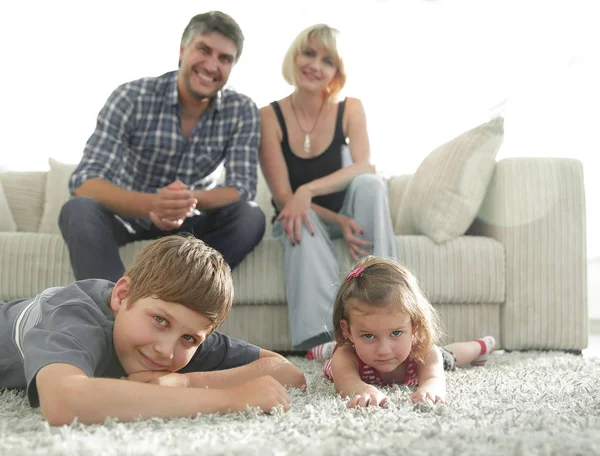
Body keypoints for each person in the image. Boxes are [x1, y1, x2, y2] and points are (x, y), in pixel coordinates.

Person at [0, 234, 306, 425]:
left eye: (189, 338)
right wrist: (228, 399)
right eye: (160, 321)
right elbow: (63, 402)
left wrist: (187, 383)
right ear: (122, 296)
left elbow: (286, 371)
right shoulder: (72, 314)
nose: (165, 350)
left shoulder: (181, 333)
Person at [59, 11, 265, 283]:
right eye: (204, 50)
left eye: (224, 58)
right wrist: (153, 203)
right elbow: (85, 182)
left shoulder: (242, 110)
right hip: (129, 214)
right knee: (78, 209)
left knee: (250, 216)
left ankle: (185, 295)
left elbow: (242, 188)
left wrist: (186, 199)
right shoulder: (132, 97)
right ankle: (112, 307)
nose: (212, 65)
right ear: (182, 50)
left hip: (191, 223)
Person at [259, 24, 398, 351]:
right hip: (306, 216)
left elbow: (365, 166)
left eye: (327, 60)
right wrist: (331, 218)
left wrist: (307, 190)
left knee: (370, 186)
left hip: (348, 210)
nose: (315, 65)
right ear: (294, 55)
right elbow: (283, 197)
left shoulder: (350, 107)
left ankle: (394, 309)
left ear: (337, 72)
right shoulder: (268, 116)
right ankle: (325, 341)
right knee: (297, 218)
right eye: (309, 53)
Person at [306, 256, 496, 407]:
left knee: (448, 357)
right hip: (347, 350)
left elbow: (434, 378)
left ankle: (482, 346)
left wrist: (430, 388)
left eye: (396, 333)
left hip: (405, 349)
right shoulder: (346, 355)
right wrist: (363, 390)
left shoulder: (423, 352)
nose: (384, 350)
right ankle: (328, 349)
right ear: (347, 330)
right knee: (336, 353)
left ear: (415, 325)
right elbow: (346, 382)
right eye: (369, 336)